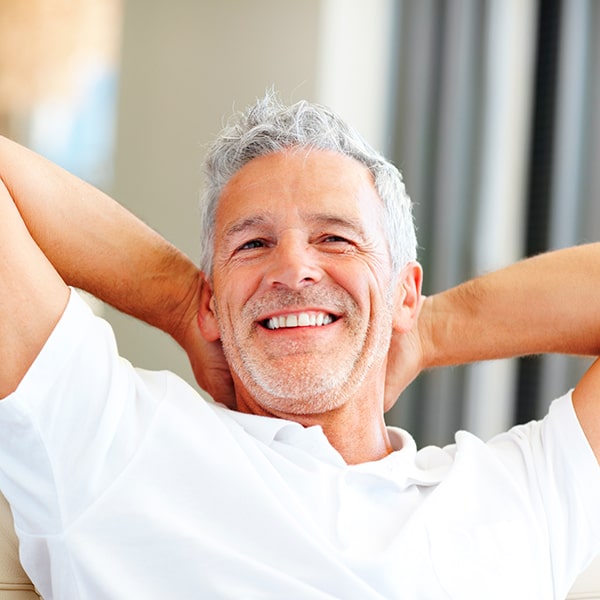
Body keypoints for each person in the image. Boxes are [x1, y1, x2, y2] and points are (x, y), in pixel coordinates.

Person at [0, 92, 598, 599]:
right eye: (253, 246)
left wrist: (431, 330)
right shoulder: (114, 443)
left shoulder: (514, 497)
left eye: (335, 238)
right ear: (215, 302)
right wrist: (180, 302)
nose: (293, 270)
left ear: (404, 295)